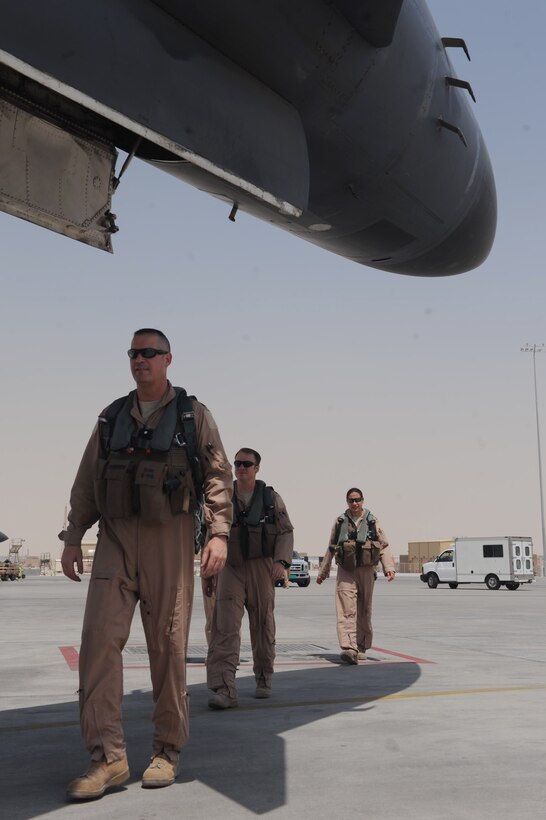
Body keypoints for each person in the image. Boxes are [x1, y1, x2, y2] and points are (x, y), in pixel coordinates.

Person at [60, 328, 233, 799]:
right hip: (114, 537)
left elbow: (218, 476)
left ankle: (167, 749)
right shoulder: (111, 417)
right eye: (134, 353)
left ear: (168, 359)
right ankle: (107, 758)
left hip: (169, 540)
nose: (140, 360)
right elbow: (87, 480)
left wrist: (218, 534)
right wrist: (74, 536)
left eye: (149, 353)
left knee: (168, 648)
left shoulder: (192, 416)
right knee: (97, 643)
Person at [206, 448, 294, 708]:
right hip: (230, 567)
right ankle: (224, 688)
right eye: (237, 464)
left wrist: (281, 562)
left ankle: (264, 678)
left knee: (263, 624)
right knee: (225, 627)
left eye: (247, 464)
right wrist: (209, 568)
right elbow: (208, 530)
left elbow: (286, 531)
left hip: (261, 567)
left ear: (257, 468)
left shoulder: (270, 498)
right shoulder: (223, 497)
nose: (241, 468)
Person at [317, 488, 395, 664]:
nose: (354, 503)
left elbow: (384, 545)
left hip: (367, 570)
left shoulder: (373, 521)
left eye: (357, 500)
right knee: (346, 610)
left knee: (364, 610)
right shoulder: (340, 522)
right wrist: (323, 572)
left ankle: (362, 645)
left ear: (363, 500)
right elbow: (331, 547)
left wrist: (388, 567)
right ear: (347, 502)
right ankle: (348, 647)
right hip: (346, 570)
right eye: (351, 500)